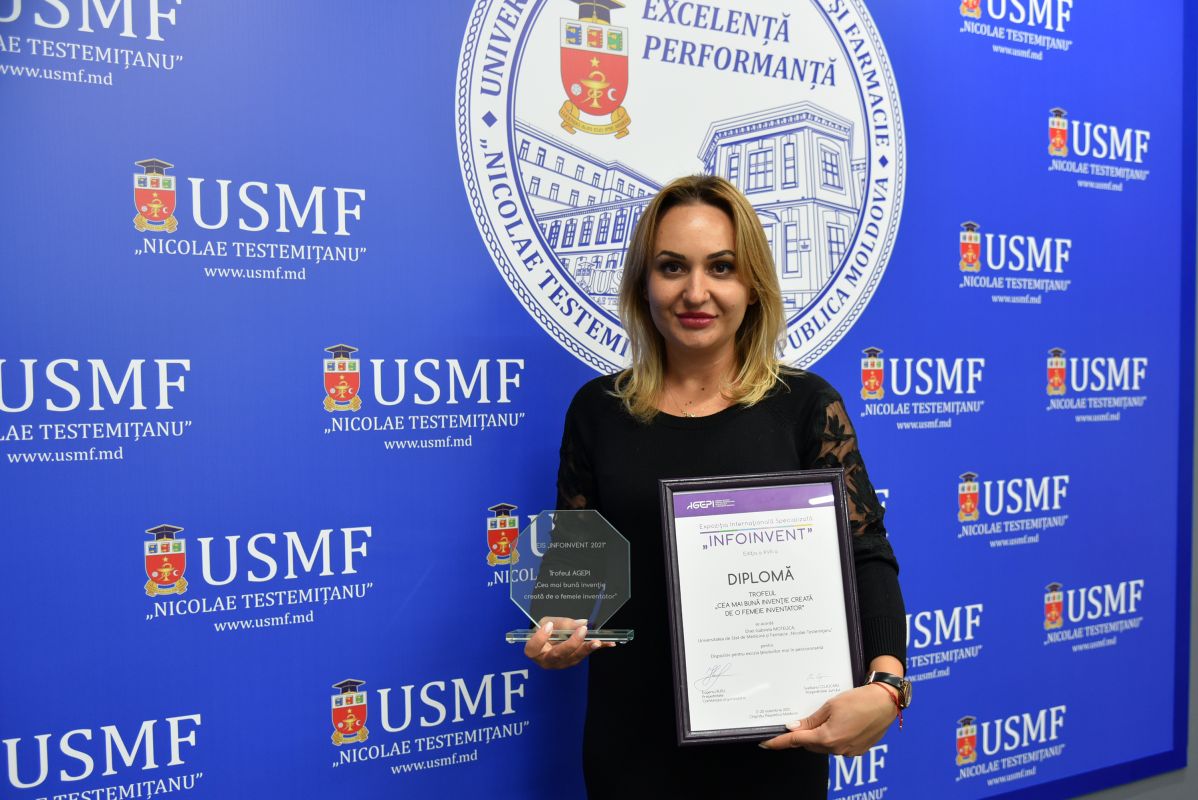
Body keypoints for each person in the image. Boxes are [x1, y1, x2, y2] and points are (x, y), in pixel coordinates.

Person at [523, 175, 907, 797]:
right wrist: (557, 626)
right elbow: (574, 567)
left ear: (752, 285)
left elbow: (865, 555)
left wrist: (887, 685)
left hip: (776, 744)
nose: (695, 291)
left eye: (721, 267)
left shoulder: (806, 406)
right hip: (632, 747)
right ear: (643, 284)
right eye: (672, 267)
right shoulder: (597, 410)